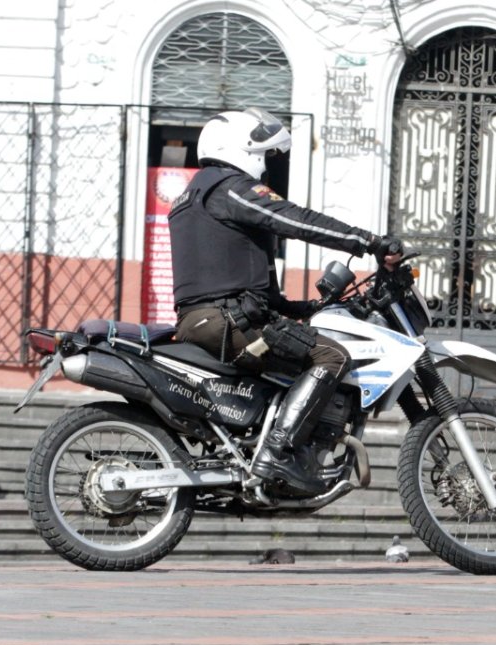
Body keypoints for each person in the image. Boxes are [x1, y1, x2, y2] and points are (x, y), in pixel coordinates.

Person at [169, 107, 403, 496]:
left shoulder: (193, 195)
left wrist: (304, 309)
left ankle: (273, 444)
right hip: (229, 322)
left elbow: (243, 285)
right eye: (263, 156)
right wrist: (368, 242)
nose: (266, 166)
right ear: (240, 150)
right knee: (333, 356)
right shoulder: (229, 187)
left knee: (304, 346)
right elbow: (293, 219)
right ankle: (279, 453)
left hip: (212, 319)